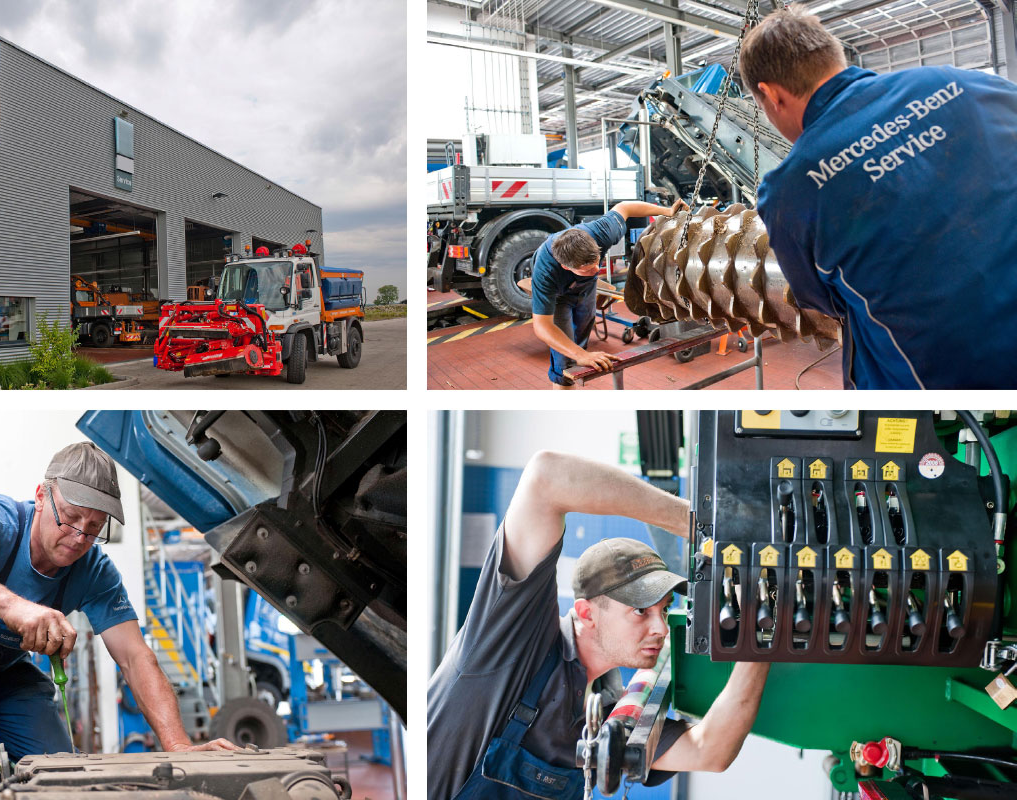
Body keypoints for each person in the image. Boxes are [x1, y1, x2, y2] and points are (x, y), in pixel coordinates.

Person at [0, 442, 240, 790]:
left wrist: (178, 746)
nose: (79, 536)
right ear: (41, 496)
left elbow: (134, 656)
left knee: (62, 774)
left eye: (95, 527)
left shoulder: (95, 571)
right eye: (70, 518)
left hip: (3, 677)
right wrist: (13, 606)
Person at [428, 451, 771, 800]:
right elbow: (545, 476)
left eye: (664, 610)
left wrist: (760, 634)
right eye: (640, 611)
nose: (662, 629)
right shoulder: (513, 641)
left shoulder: (608, 712)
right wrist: (703, 527)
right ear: (587, 613)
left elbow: (708, 751)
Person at [743, 6, 1017, 388]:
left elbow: (823, 302)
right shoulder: (965, 85)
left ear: (771, 95)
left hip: (935, 384)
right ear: (834, 57)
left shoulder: (790, 190)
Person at [530, 199, 688, 389]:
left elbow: (625, 207)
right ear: (566, 267)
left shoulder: (601, 231)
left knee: (583, 329)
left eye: (598, 262)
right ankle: (563, 381)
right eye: (587, 268)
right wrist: (580, 355)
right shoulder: (546, 273)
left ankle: (578, 362)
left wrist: (667, 211)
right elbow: (542, 326)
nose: (596, 269)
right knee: (564, 358)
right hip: (559, 296)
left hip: (585, 287)